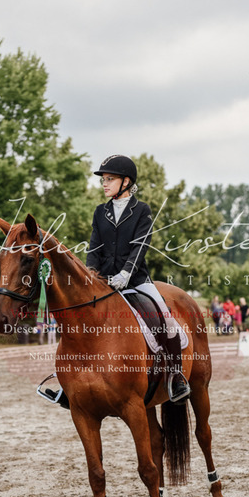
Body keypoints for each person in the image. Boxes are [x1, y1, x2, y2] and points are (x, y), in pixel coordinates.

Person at [86, 154, 190, 404]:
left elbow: (141, 246)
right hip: (104, 282)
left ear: (126, 182)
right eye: (103, 179)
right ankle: (71, 381)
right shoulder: (100, 212)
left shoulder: (141, 210)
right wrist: (90, 276)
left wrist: (126, 273)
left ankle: (175, 376)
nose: (104, 184)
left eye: (109, 179)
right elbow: (94, 248)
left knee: (166, 320)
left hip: (137, 280)